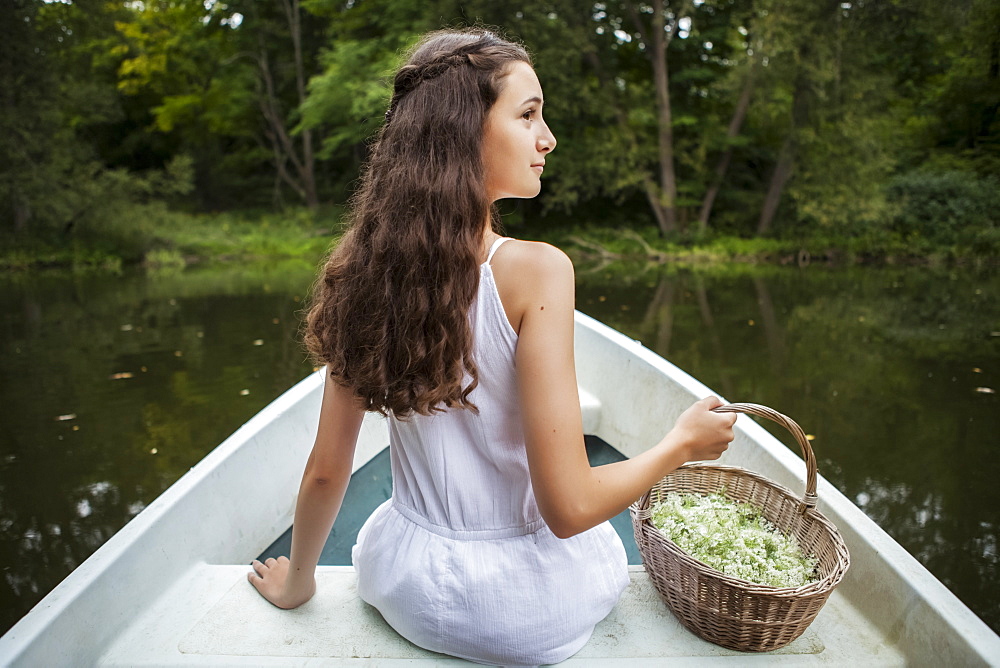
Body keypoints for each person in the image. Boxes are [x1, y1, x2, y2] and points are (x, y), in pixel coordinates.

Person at [248, 27, 736, 666]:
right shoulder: (538, 272)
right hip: (529, 611)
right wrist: (681, 445)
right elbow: (571, 508)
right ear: (462, 133)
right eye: (529, 114)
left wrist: (298, 581)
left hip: (409, 590)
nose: (548, 137)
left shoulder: (362, 272)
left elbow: (326, 471)